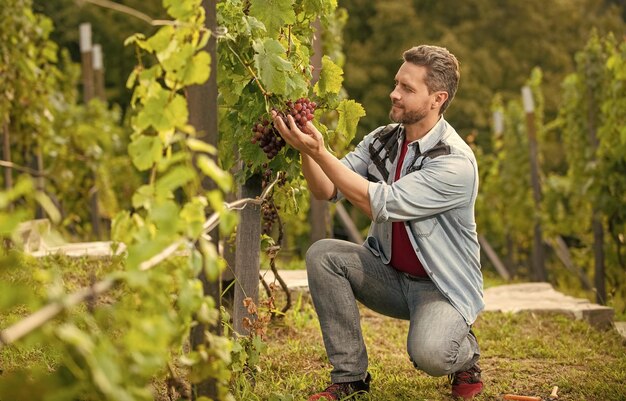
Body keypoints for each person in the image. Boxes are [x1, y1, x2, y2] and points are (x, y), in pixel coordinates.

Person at [272, 44, 484, 400]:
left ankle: (465, 355)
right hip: (388, 273)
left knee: (430, 353)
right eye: (396, 83)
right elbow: (326, 189)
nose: (394, 93)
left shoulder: (454, 162)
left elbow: (381, 204)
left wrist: (321, 152)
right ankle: (350, 378)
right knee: (324, 255)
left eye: (407, 89)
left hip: (439, 287)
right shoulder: (384, 140)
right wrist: (307, 150)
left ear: (437, 99)